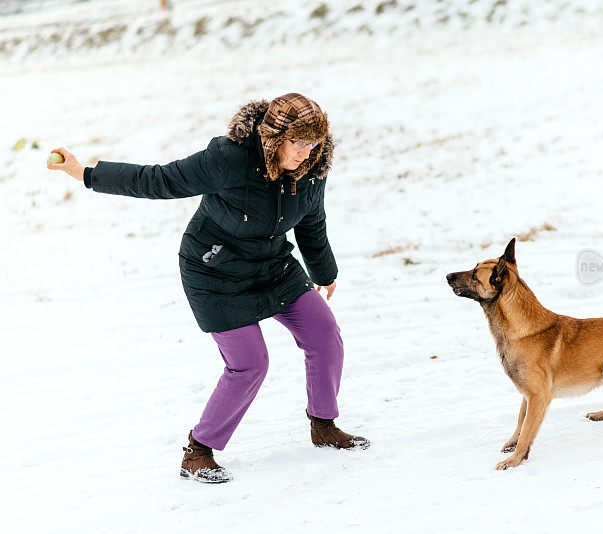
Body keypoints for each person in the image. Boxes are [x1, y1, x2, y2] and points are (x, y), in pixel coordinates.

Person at [48, 93, 369, 484]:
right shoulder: (230, 159)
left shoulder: (312, 168)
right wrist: (86, 174)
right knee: (250, 363)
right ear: (273, 139)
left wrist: (324, 271)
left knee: (324, 333)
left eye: (314, 144)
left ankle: (323, 424)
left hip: (272, 265)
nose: (307, 153)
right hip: (214, 270)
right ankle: (198, 451)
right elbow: (161, 178)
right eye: (299, 144)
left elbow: (311, 221)